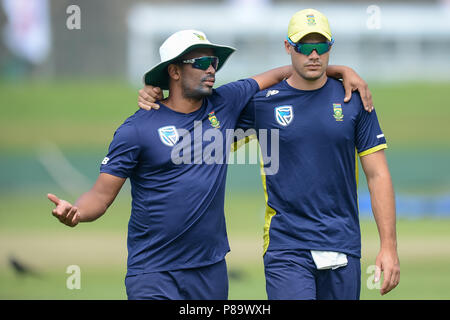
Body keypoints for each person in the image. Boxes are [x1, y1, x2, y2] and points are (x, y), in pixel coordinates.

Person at [139, 10, 400, 300]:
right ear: (288, 47)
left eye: (322, 46)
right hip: (286, 246)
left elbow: (378, 175)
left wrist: (388, 247)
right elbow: (194, 115)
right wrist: (158, 98)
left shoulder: (354, 99)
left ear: (330, 47)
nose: (314, 54)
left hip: (343, 244)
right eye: (303, 46)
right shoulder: (260, 104)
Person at [47, 29, 298, 300]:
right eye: (201, 63)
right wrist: (77, 213)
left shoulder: (225, 102)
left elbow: (283, 74)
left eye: (214, 62)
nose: (211, 69)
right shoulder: (136, 129)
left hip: (210, 270)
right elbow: (100, 195)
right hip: (153, 273)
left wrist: (341, 71)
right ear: (174, 72)